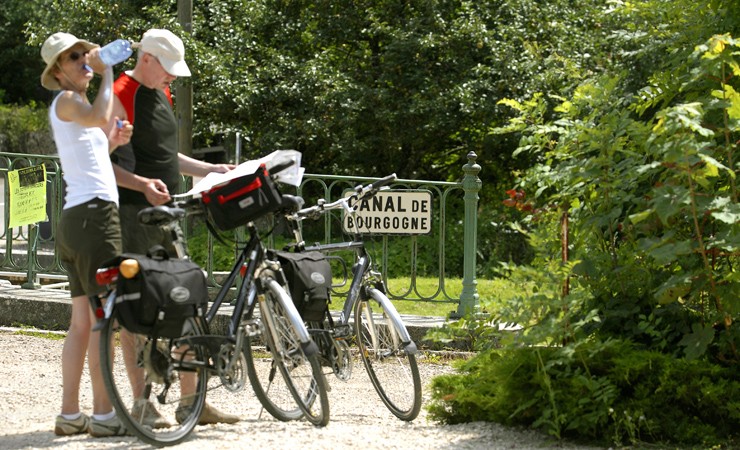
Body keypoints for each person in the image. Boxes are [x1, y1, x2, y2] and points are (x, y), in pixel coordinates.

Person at [106, 28, 238, 425]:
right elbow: (99, 159)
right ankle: (141, 403)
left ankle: (191, 402)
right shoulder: (120, 93)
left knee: (182, 299)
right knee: (138, 308)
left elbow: (166, 154)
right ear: (146, 58)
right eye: (168, 69)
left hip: (169, 215)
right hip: (133, 216)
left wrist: (208, 168)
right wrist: (143, 187)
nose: (174, 78)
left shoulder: (159, 91)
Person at [40, 31, 133, 437]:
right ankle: (104, 415)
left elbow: (93, 148)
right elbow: (99, 115)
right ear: (58, 71)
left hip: (77, 219)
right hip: (95, 219)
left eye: (83, 53)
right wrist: (108, 68)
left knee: (82, 321)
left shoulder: (71, 105)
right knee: (103, 320)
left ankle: (70, 413)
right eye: (72, 57)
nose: (82, 60)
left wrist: (110, 142)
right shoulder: (71, 101)